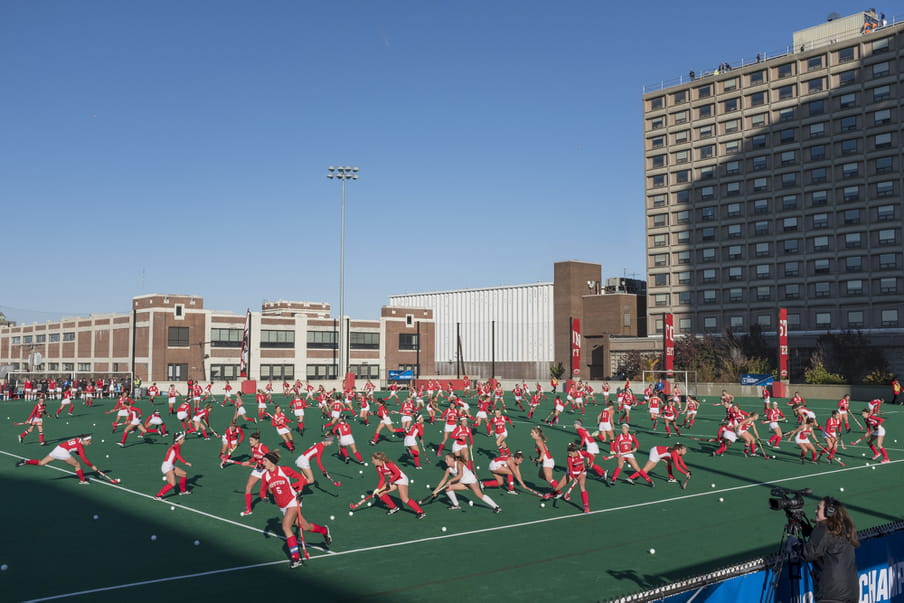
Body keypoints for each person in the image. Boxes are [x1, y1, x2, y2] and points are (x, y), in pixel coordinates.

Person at [258, 450, 332, 568]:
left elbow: (301, 479)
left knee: (286, 527)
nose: (263, 463)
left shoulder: (284, 470)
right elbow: (262, 490)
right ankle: (324, 531)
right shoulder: (265, 476)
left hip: (292, 501)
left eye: (265, 461)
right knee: (305, 526)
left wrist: (300, 491)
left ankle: (295, 558)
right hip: (282, 507)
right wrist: (264, 497)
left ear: (272, 461)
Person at [798, 497, 859, 603]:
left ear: (829, 512)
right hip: (850, 594)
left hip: (831, 595)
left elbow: (809, 554)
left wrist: (795, 545)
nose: (815, 511)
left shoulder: (823, 528)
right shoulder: (843, 528)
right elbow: (826, 542)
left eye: (819, 508)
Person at [431, 453, 501, 513]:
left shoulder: (459, 463)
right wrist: (436, 490)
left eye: (447, 459)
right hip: (463, 483)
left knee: (479, 495)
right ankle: (456, 505)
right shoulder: (448, 469)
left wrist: (450, 481)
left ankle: (496, 507)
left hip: (471, 481)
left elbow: (460, 475)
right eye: (445, 459)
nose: (445, 461)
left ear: (452, 459)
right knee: (448, 488)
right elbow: (443, 480)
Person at [16, 433, 99, 484]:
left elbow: (74, 449)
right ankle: (82, 480)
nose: (90, 443)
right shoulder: (80, 446)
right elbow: (84, 459)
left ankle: (26, 462)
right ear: (84, 441)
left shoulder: (77, 439)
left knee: (42, 463)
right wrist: (92, 466)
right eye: (89, 441)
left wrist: (79, 454)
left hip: (57, 448)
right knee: (77, 464)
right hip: (63, 452)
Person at [370, 451, 426, 518]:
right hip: (393, 480)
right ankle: (394, 508)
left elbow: (397, 473)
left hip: (401, 479)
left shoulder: (388, 464)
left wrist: (389, 482)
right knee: (380, 493)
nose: (372, 461)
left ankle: (421, 512)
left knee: (404, 499)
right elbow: (382, 479)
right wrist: (377, 489)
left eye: (373, 460)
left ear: (378, 460)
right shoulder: (378, 467)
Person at [239, 432, 269, 516]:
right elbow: (255, 457)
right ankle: (249, 509)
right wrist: (248, 462)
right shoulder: (252, 448)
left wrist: (262, 465)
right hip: (258, 469)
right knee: (248, 487)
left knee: (270, 489)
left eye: (251, 440)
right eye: (249, 440)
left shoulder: (262, 447)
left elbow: (270, 457)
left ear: (257, 440)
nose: (250, 441)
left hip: (266, 469)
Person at [155, 432, 192, 498]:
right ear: (179, 440)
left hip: (170, 465)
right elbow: (177, 455)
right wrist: (185, 462)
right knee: (173, 484)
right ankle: (158, 496)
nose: (184, 440)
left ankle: (183, 491)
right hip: (167, 467)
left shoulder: (176, 445)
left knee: (183, 474)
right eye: (183, 439)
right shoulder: (177, 446)